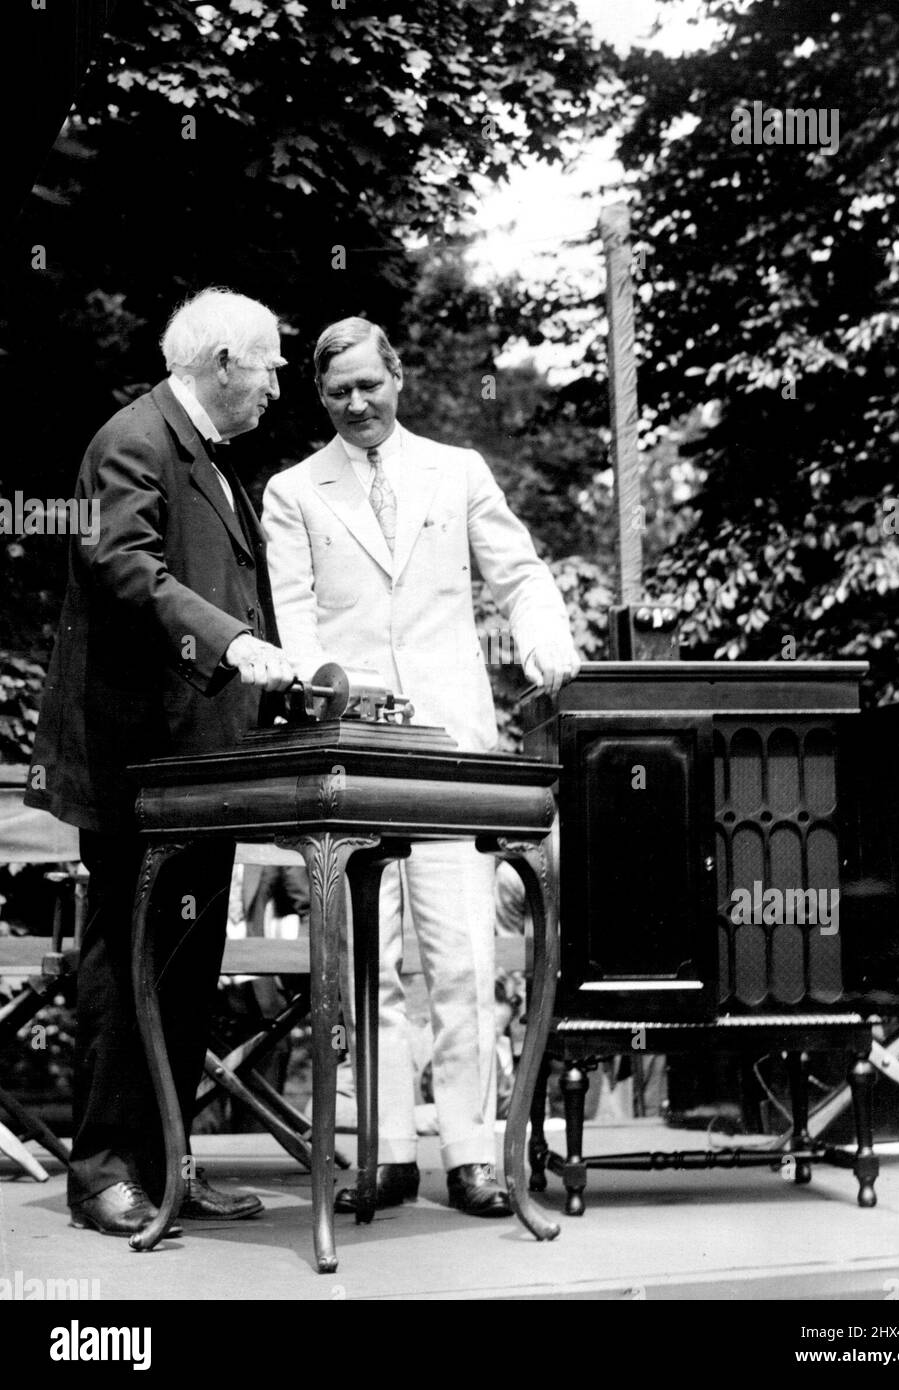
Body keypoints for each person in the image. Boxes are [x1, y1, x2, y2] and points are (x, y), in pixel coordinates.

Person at [262, 316, 579, 1217]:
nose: (357, 404)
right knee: (369, 957)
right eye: (338, 392)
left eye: (370, 384)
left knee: (461, 955)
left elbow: (517, 574)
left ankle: (473, 1154)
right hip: (356, 750)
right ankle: (389, 1149)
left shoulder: (458, 470)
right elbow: (294, 619)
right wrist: (332, 698)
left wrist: (544, 641)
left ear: (397, 378)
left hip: (451, 751)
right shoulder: (293, 492)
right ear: (320, 397)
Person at [24, 288, 296, 1237]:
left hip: (198, 767)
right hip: (140, 766)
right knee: (128, 961)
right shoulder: (133, 439)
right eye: (266, 367)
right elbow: (125, 569)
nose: (274, 387)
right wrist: (231, 642)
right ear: (222, 361)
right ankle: (104, 1173)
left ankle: (170, 1161)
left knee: (185, 968)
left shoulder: (209, 461)